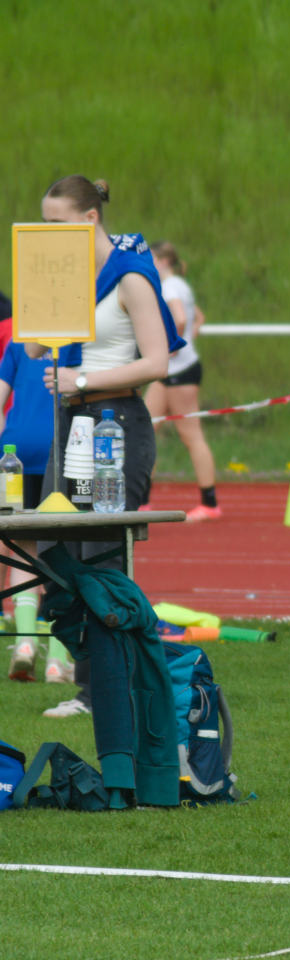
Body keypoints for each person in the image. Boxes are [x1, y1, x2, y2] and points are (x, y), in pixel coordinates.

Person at [29, 176, 186, 721]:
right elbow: (32, 346)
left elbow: (158, 362)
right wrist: (43, 299)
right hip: (69, 426)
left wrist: (84, 383)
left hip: (115, 425)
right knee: (54, 554)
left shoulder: (131, 276)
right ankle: (92, 680)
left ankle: (106, 690)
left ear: (89, 220)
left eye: (56, 225)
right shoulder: (69, 274)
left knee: (100, 558)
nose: (47, 236)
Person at [0, 339, 73, 683]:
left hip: (16, 452)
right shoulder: (78, 342)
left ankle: (25, 644)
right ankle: (59, 658)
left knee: (23, 551)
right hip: (62, 448)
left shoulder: (18, 345)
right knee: (69, 553)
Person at [144, 242, 218, 521]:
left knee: (191, 435)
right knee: (144, 429)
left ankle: (209, 503)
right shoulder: (178, 285)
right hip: (166, 372)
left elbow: (181, 318)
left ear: (163, 260)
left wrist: (171, 347)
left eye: (150, 258)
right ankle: (142, 500)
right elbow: (198, 317)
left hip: (180, 371)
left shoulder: (172, 286)